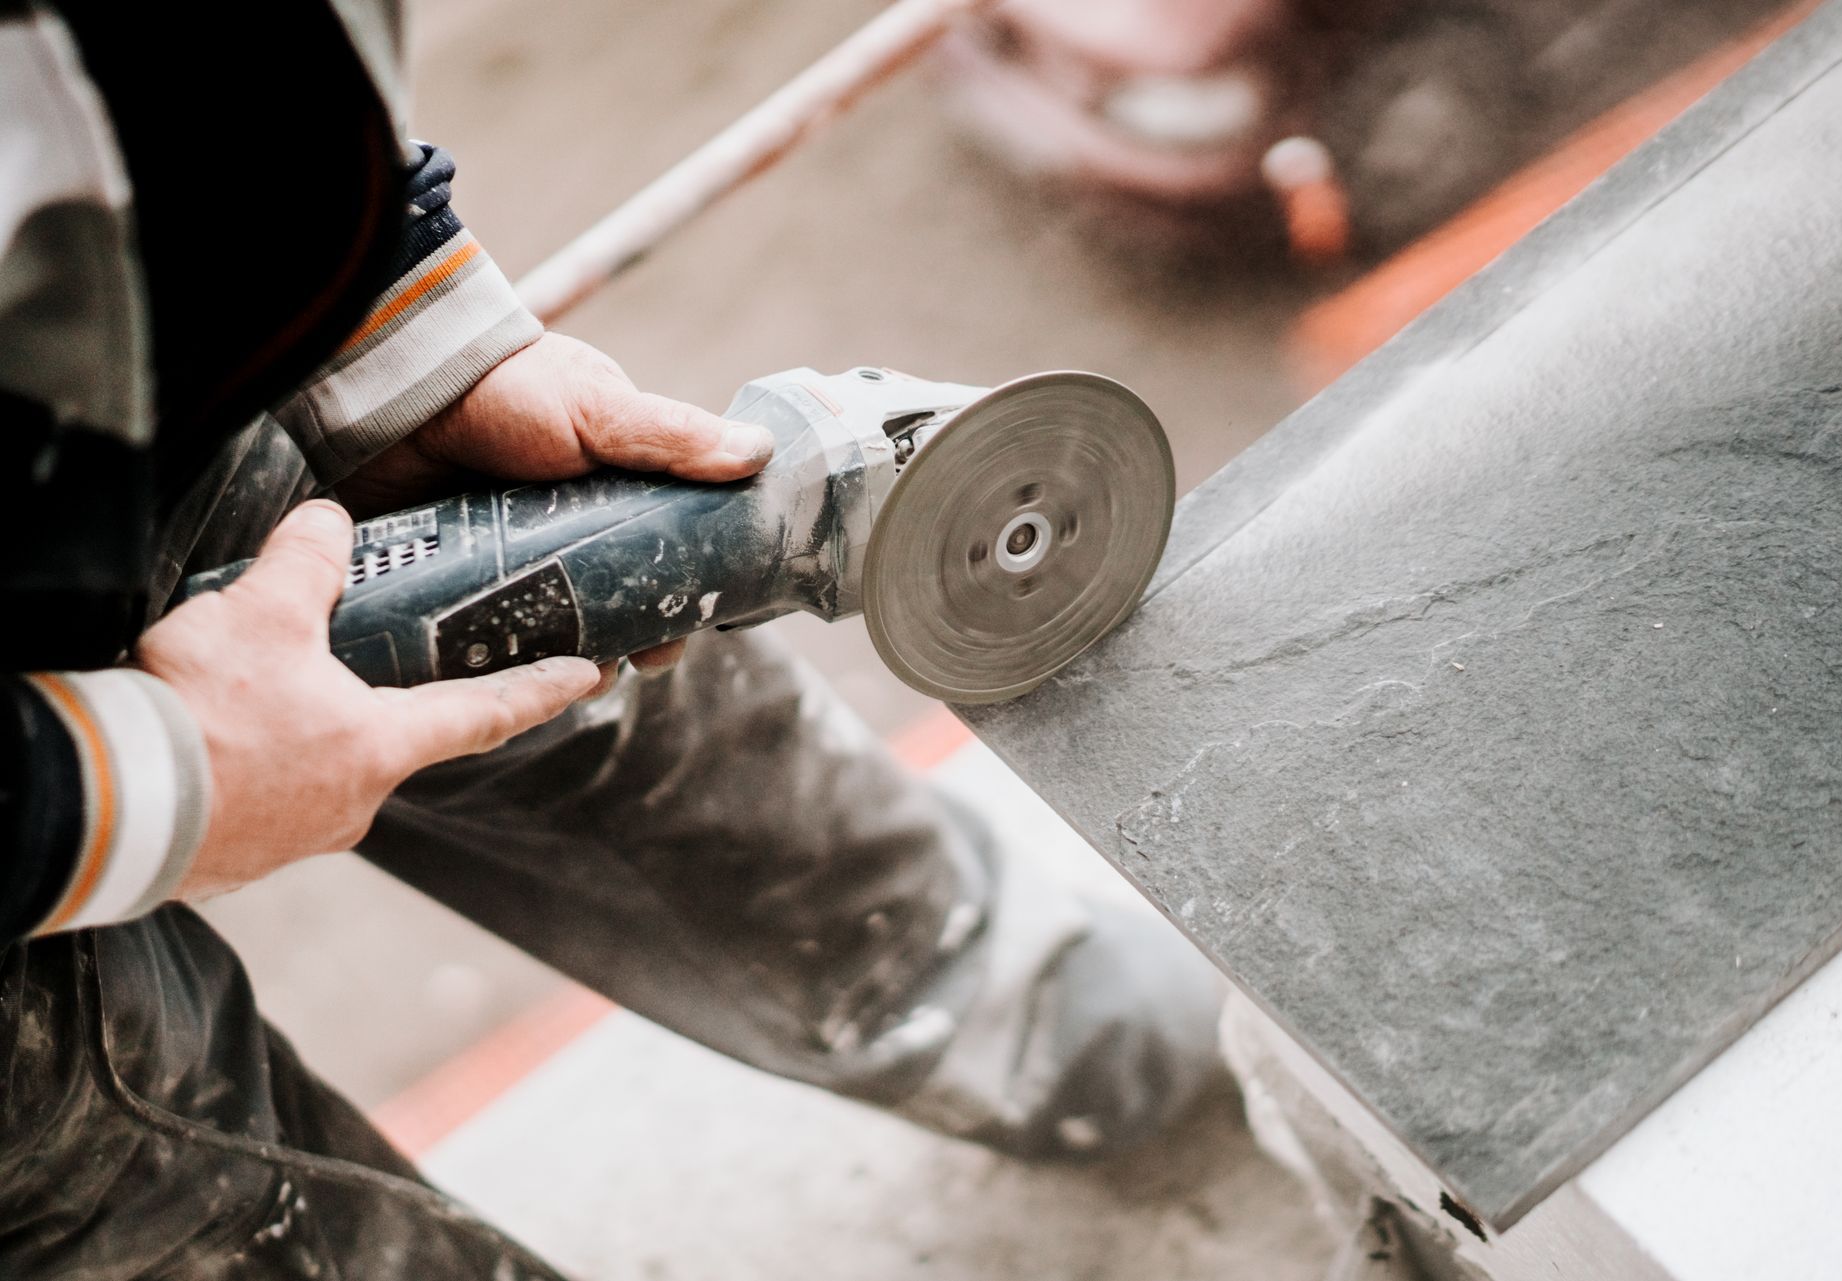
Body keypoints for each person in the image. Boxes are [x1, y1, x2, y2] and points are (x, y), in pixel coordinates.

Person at [0, 3, 1223, 1276]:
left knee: (609, 684)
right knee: (172, 1200)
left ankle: (1032, 1024)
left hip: (149, 397)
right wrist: (116, 783)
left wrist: (388, 323)